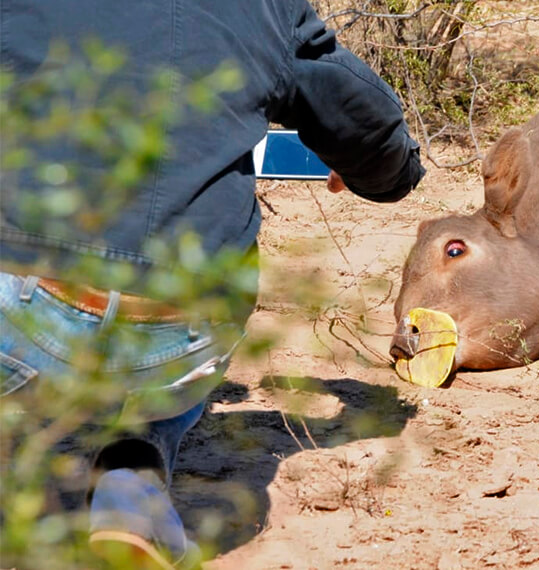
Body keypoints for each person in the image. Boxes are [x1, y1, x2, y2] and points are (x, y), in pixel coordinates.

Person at [0, 1, 425, 568]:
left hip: (21, 304)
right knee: (152, 375)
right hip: (179, 333)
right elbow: (367, 127)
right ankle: (132, 488)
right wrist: (386, 169)